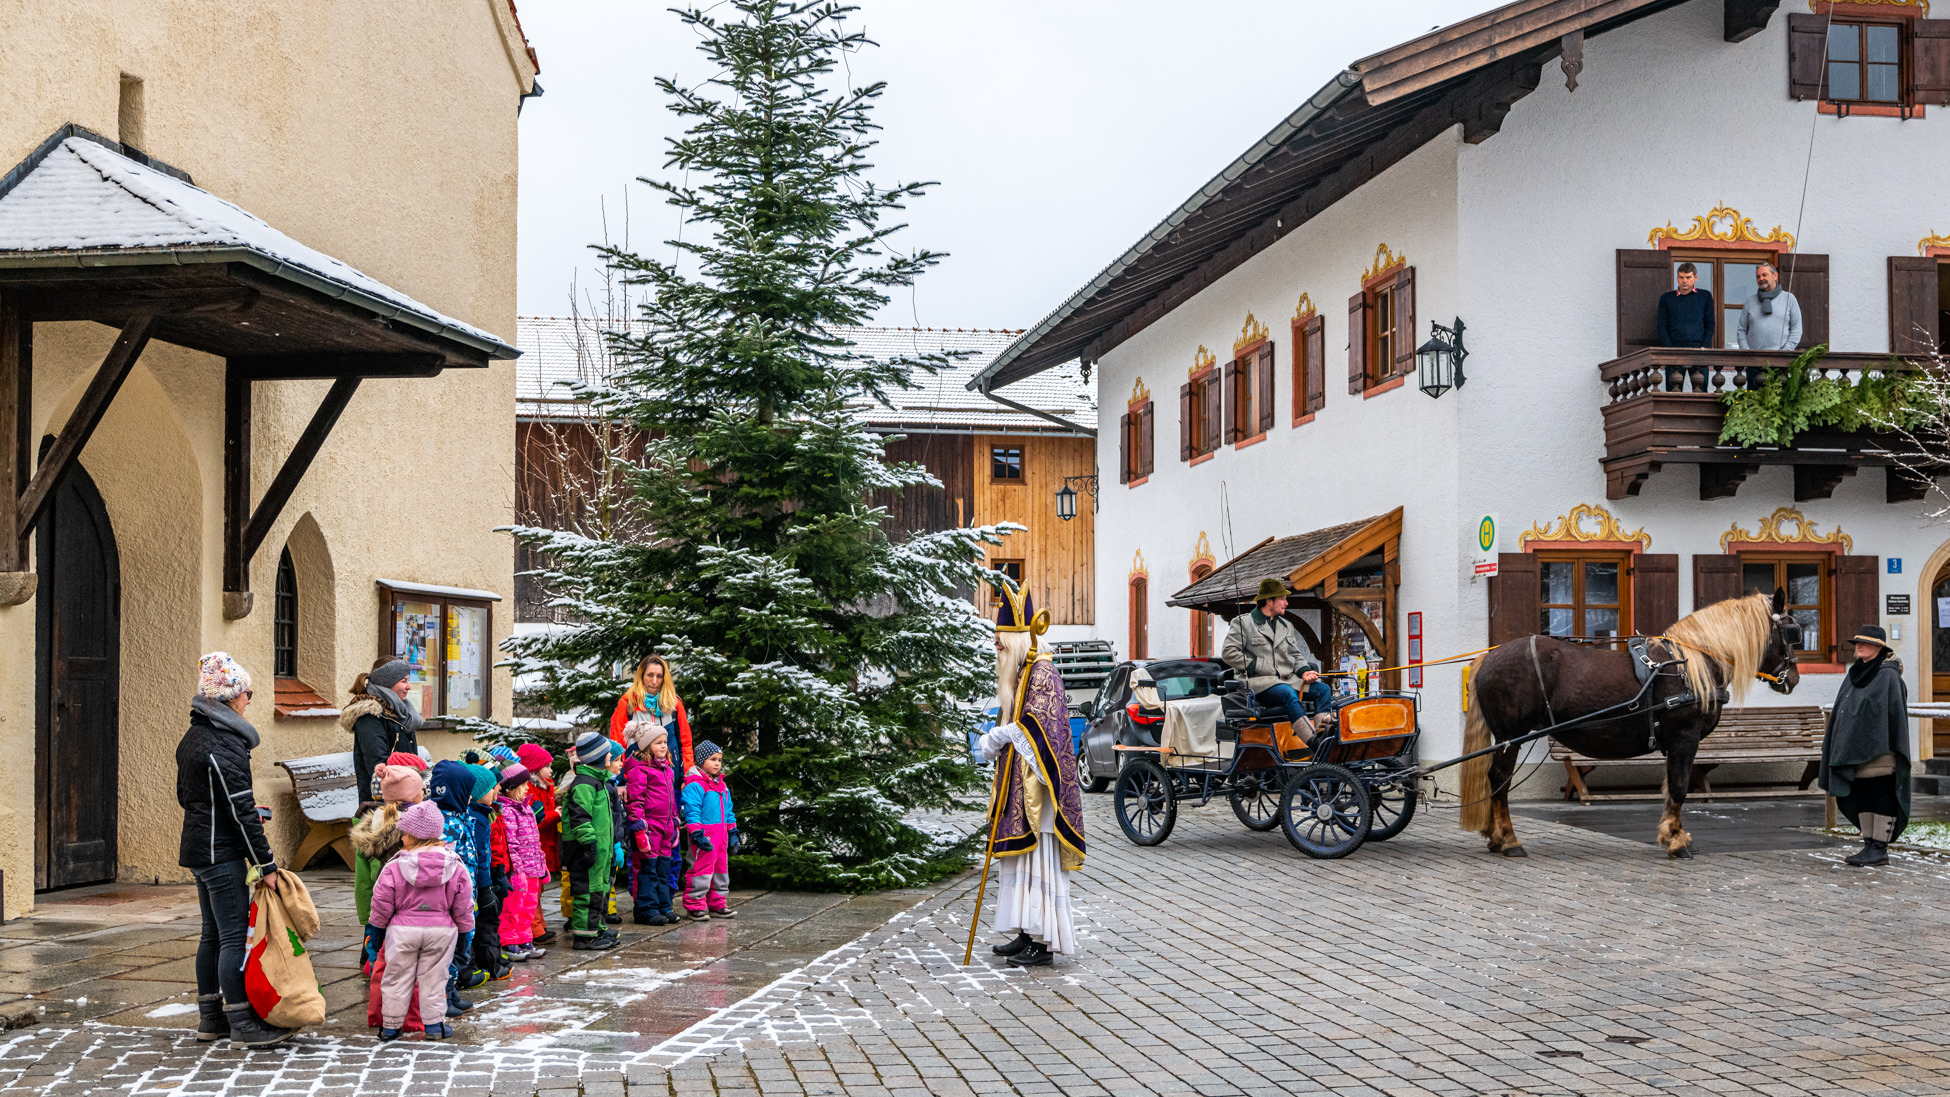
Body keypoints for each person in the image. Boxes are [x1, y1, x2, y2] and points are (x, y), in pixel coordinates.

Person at [175, 651, 292, 1049]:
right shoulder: (223, 744)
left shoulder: (194, 737)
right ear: (228, 698)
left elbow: (188, 798)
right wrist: (266, 865)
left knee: (212, 934)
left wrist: (234, 811)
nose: (249, 700)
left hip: (199, 847)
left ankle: (211, 1018)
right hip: (220, 852)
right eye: (247, 694)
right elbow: (240, 813)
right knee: (233, 936)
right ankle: (243, 1022)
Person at [977, 588, 1085, 968]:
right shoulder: (1022, 672)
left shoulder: (1042, 671)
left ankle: (1044, 940)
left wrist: (1001, 735)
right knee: (1022, 864)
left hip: (1040, 790)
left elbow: (1041, 729)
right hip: (1019, 788)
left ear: (1016, 641)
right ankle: (1027, 931)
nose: (997, 651)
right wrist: (1000, 736)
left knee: (1039, 863)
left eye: (1001, 644)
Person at [369, 801, 473, 1042]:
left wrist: (377, 929)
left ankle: (390, 1027)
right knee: (435, 979)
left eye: (405, 834)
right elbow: (463, 905)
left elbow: (381, 902)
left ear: (414, 837)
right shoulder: (455, 865)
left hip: (402, 930)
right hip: (441, 930)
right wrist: (465, 932)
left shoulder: (395, 866)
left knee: (396, 978)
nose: (402, 838)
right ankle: (435, 1026)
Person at [1821, 625, 1911, 867]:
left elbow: (1893, 714)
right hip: (1854, 751)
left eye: (1866, 643)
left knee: (1881, 796)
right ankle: (1869, 844)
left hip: (1880, 752)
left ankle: (1879, 848)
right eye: (1857, 643)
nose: (1859, 646)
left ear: (1879, 648)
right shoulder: (1856, 673)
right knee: (1862, 796)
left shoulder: (1888, 676)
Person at [1222, 579, 1330, 727]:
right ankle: (1311, 738)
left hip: (1287, 681)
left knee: (1323, 690)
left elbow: (1295, 655)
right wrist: (1256, 666)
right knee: (1288, 693)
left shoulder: (1286, 626)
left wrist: (1305, 672)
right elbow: (1228, 652)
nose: (1286, 603)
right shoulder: (1243, 623)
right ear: (1269, 601)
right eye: (1282, 599)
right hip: (1260, 683)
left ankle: (1322, 733)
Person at [427, 759, 482, 1015]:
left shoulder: (460, 818)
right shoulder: (443, 824)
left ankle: (452, 990)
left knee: (462, 945)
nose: (471, 797)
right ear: (455, 792)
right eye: (467, 792)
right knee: (448, 949)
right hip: (450, 900)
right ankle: (443, 997)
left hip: (465, 897)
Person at [562, 731, 620, 950]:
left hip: (601, 850)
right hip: (587, 850)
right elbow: (580, 817)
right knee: (588, 892)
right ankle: (584, 936)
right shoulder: (584, 784)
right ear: (598, 757)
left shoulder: (598, 781)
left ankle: (597, 928)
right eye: (608, 753)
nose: (610, 757)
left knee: (600, 889)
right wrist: (588, 844)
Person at [351, 756, 427, 925]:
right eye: (420, 789)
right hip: (411, 911)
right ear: (411, 795)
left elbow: (362, 880)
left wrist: (366, 916)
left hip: (379, 910)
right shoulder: (416, 826)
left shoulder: (372, 825)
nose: (423, 792)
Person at [345, 660, 423, 809]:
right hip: (382, 806)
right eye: (404, 681)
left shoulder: (401, 713)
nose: (409, 686)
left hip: (405, 799)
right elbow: (378, 766)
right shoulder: (370, 716)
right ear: (387, 682)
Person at [623, 719, 680, 925]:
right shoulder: (640, 769)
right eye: (658, 743)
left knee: (663, 868)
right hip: (649, 828)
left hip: (666, 827)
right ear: (647, 746)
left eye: (665, 742)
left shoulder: (667, 769)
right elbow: (636, 799)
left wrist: (675, 820)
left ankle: (664, 906)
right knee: (647, 868)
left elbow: (671, 798)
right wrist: (638, 825)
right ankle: (646, 909)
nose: (664, 746)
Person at [495, 764, 549, 961]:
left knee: (529, 906)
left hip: (533, 868)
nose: (527, 788)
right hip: (519, 872)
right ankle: (509, 941)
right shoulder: (508, 811)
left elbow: (535, 840)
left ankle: (525, 938)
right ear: (511, 788)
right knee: (513, 908)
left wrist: (541, 864)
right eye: (524, 784)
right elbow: (511, 843)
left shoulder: (526, 809)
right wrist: (517, 870)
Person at [681, 741, 740, 920]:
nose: (717, 764)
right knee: (701, 870)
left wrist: (733, 831)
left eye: (719, 760)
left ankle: (717, 903)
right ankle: (695, 905)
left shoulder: (721, 785)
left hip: (721, 836)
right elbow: (691, 810)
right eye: (713, 759)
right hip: (704, 836)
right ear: (701, 761)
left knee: (721, 870)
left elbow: (729, 811)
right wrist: (696, 832)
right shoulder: (696, 785)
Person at [464, 765, 510, 980]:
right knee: (486, 922)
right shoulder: (478, 818)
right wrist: (486, 885)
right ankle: (490, 964)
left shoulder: (485, 814)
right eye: (492, 787)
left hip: (492, 872)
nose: (498, 789)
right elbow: (481, 855)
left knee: (488, 921)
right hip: (484, 877)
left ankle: (493, 958)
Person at [610, 655, 693, 771]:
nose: (654, 681)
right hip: (638, 777)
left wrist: (688, 776)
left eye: (659, 676)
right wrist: (620, 777)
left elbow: (686, 744)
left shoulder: (674, 704)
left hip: (670, 775)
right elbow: (617, 744)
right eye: (650, 675)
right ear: (641, 676)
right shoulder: (628, 703)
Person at [515, 743, 560, 945]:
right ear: (534, 768)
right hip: (534, 848)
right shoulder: (529, 790)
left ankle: (539, 925)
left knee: (538, 890)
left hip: (542, 847)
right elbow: (535, 818)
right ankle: (535, 929)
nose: (551, 770)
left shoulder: (544, 786)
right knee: (533, 891)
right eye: (547, 766)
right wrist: (555, 815)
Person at [1735, 260, 1802, 351]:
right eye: (1758, 276)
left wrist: (1785, 352)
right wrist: (1747, 352)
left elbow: (1796, 329)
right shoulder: (1750, 301)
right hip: (1753, 358)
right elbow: (1741, 330)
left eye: (1764, 275)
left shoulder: (1789, 299)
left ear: (1775, 276)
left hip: (1780, 357)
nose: (1761, 278)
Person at [1656, 262, 1715, 349]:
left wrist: (1705, 346)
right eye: (1681, 277)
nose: (1684, 281)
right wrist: (1669, 348)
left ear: (1695, 278)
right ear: (1677, 278)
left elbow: (1710, 324)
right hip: (1674, 349)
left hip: (1699, 349)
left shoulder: (1705, 296)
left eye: (1688, 277)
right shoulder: (1666, 298)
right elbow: (1661, 326)